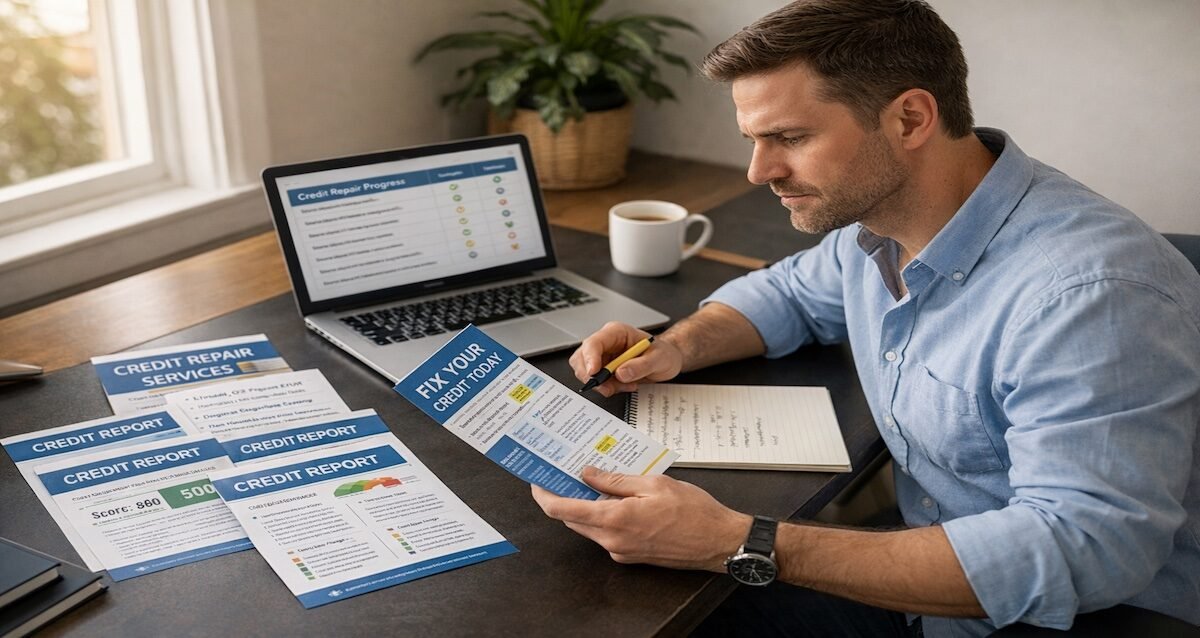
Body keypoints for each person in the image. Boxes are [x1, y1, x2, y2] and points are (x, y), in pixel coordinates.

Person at [529, 1, 1200, 636]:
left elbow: (1086, 550)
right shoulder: (882, 224)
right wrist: (675, 347)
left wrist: (738, 541)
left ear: (909, 120)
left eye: (789, 137)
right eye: (754, 140)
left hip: (1081, 618)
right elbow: (789, 293)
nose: (759, 170)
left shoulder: (1090, 294)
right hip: (928, 565)